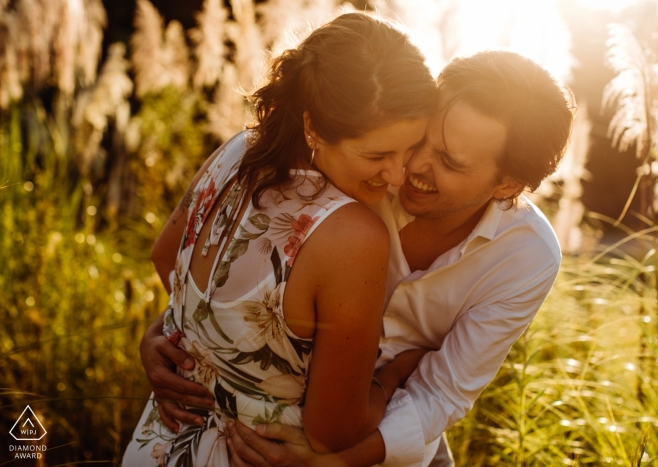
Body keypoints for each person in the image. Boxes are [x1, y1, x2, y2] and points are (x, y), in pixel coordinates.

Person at [221, 50, 576, 467]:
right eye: (425, 138)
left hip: (394, 435)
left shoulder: (527, 256)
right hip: (274, 413)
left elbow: (443, 393)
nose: (414, 165)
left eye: (449, 162)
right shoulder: (367, 168)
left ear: (507, 183)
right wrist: (173, 328)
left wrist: (335, 463)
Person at [121, 12, 437, 466]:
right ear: (314, 127)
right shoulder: (352, 234)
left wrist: (179, 339)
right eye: (377, 155)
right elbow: (333, 432)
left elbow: (164, 259)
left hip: (160, 443)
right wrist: (397, 373)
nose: (397, 175)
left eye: (410, 149)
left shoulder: (237, 151)